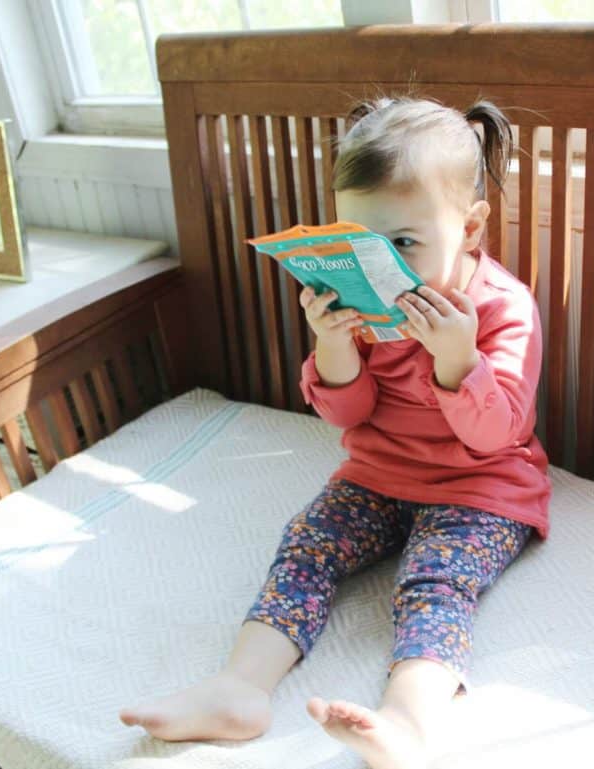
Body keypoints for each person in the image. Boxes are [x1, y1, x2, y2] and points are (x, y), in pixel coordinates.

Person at [119, 93, 551, 769]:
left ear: (470, 227)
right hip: (377, 476)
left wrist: (457, 359)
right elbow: (346, 417)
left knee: (435, 582)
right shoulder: (365, 301)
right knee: (307, 543)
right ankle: (240, 688)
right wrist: (334, 346)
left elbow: (497, 435)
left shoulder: (501, 306)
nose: (382, 266)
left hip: (479, 486)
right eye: (359, 243)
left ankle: (409, 724)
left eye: (404, 243)